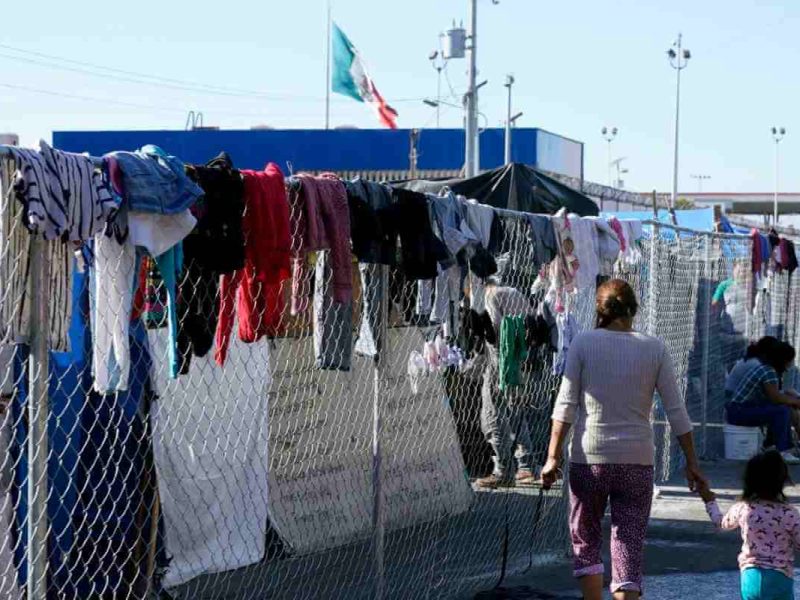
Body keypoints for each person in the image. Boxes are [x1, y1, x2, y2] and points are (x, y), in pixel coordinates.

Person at [541, 279, 706, 600]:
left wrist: (552, 457)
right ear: (634, 310)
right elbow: (676, 410)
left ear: (600, 309)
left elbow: (565, 405)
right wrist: (692, 463)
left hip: (589, 459)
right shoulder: (654, 348)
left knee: (586, 538)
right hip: (637, 460)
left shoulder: (583, 344)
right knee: (628, 541)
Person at [699, 450, 800, 600]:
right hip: (779, 578)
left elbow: (721, 523)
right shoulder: (789, 513)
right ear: (782, 480)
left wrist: (709, 501)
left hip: (750, 577)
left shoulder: (743, 508)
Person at [475, 279, 538, 488]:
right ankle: (526, 464)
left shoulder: (490, 296)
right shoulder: (513, 291)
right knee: (515, 410)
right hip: (521, 358)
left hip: (500, 360)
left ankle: (503, 470)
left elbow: (495, 330)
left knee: (491, 413)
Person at [725, 337, 800, 464]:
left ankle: (771, 445)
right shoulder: (768, 371)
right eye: (790, 360)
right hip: (739, 411)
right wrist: (795, 401)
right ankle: (783, 450)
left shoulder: (766, 368)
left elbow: (774, 396)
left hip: (740, 409)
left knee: (781, 409)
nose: (791, 363)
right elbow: (775, 397)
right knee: (781, 411)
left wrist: (792, 399)